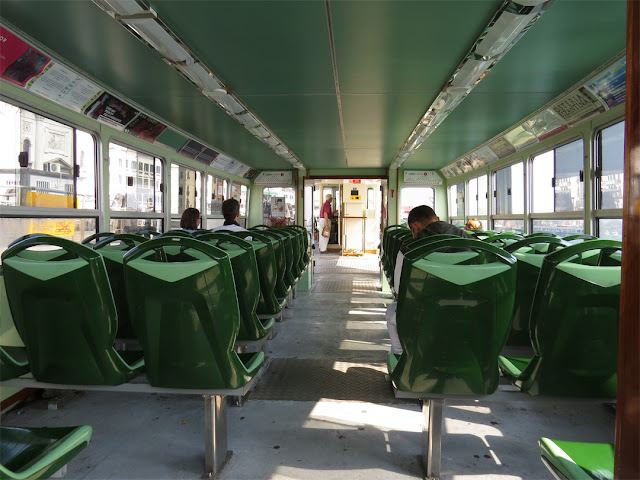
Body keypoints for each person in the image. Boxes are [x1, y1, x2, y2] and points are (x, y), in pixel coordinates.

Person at [386, 205, 473, 354]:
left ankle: (401, 357)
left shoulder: (408, 249)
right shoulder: (470, 241)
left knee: (391, 312)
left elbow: (400, 291)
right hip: (469, 310)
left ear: (414, 227)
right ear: (437, 219)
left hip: (423, 313)